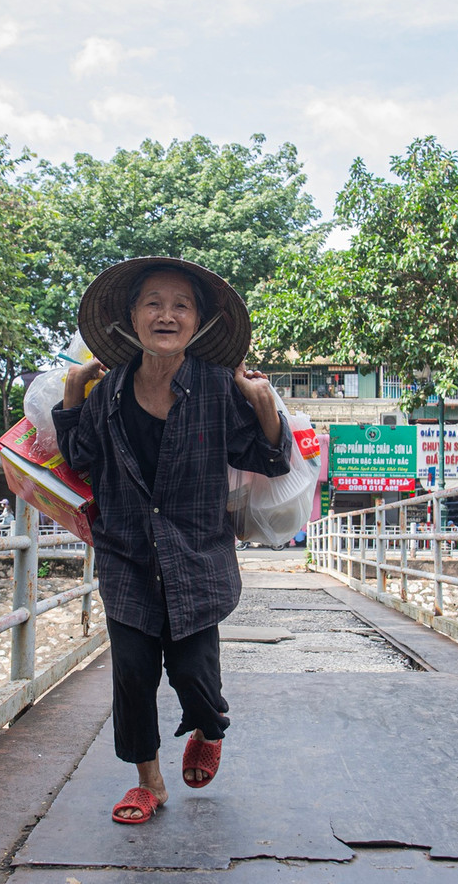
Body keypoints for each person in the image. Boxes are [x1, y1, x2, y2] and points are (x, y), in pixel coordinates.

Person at [53, 257, 290, 825]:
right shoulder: (108, 389)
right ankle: (148, 783)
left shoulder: (215, 386)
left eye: (181, 304)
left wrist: (260, 402)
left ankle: (210, 726)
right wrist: (71, 393)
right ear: (131, 317)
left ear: (199, 321)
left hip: (196, 556)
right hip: (127, 555)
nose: (167, 314)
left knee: (194, 675)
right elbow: (82, 459)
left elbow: (269, 459)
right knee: (132, 674)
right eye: (153, 303)